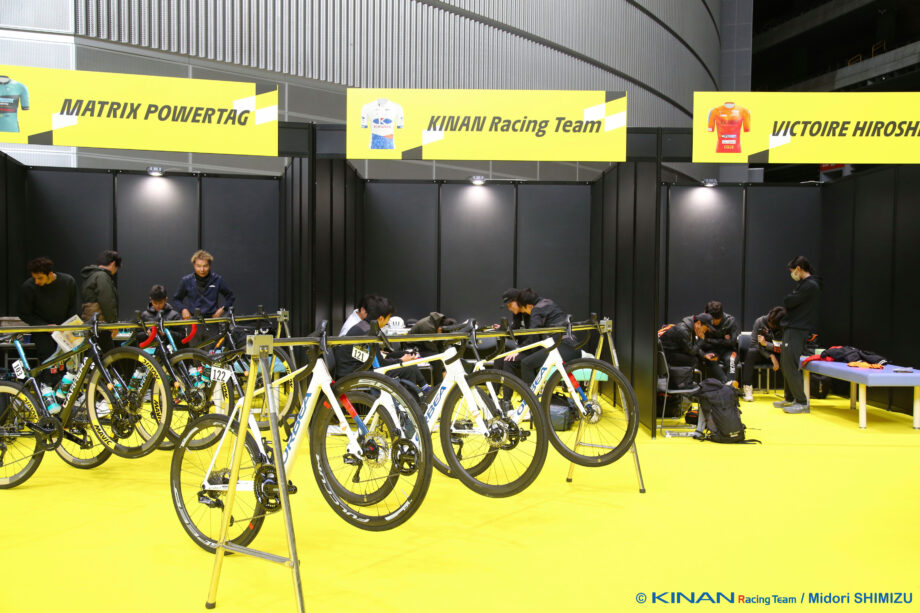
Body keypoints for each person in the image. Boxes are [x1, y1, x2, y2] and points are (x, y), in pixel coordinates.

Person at [332, 296, 428, 390]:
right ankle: (413, 397)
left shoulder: (364, 326)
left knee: (405, 358)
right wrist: (401, 360)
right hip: (354, 376)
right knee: (409, 369)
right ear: (381, 318)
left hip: (355, 371)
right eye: (388, 318)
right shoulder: (369, 333)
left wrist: (401, 357)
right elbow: (380, 365)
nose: (388, 321)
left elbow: (375, 360)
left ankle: (424, 389)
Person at [776, 256, 821, 414]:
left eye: (793, 270)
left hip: (797, 328)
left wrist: (790, 299)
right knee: (785, 363)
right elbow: (790, 301)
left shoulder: (810, 285)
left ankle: (801, 402)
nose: (792, 274)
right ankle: (790, 398)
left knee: (790, 364)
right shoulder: (804, 284)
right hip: (792, 327)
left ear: (799, 268)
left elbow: (789, 301)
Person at [17, 257, 79, 365]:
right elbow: (24, 313)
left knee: (69, 362)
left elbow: (73, 308)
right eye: (34, 278)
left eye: (40, 278)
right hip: (42, 332)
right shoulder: (28, 287)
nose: (37, 281)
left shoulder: (68, 282)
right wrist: (45, 326)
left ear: (50, 274)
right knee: (48, 362)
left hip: (65, 329)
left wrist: (67, 327)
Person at [513, 288, 581, 387]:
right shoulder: (549, 302)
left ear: (529, 306)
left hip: (562, 347)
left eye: (524, 310)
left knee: (526, 364)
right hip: (574, 347)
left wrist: (519, 349)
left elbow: (533, 336)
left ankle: (532, 396)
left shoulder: (536, 310)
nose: (526, 313)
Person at [740, 306, 785, 402]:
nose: (771, 325)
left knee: (790, 356)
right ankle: (747, 388)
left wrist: (767, 344)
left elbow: (785, 347)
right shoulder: (760, 321)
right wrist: (770, 356)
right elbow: (754, 344)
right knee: (751, 352)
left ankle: (790, 393)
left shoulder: (785, 326)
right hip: (762, 353)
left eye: (774, 325)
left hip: (780, 353)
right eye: (770, 323)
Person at [174, 250, 235, 319]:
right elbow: (177, 299)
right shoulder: (186, 281)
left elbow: (230, 297)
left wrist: (222, 309)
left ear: (209, 265)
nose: (202, 270)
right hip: (193, 319)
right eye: (198, 266)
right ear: (194, 265)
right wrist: (183, 309)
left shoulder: (217, 279)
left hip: (212, 319)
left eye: (205, 266)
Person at [81, 250, 121, 352]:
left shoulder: (91, 275)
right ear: (113, 263)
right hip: (101, 323)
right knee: (109, 356)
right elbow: (107, 301)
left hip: (90, 321)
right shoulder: (102, 276)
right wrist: (113, 324)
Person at [408, 312, 457, 381]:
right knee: (437, 360)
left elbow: (441, 345)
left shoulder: (439, 323)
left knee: (447, 354)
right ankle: (438, 384)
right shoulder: (428, 327)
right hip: (414, 347)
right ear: (440, 329)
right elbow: (431, 348)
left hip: (425, 345)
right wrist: (443, 367)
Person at [699, 300, 739, 384]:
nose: (712, 322)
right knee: (709, 359)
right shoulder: (704, 322)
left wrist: (710, 340)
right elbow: (703, 342)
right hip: (711, 350)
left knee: (731, 360)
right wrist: (723, 340)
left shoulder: (730, 321)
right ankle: (728, 385)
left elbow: (732, 342)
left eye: (714, 319)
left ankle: (729, 385)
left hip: (728, 350)